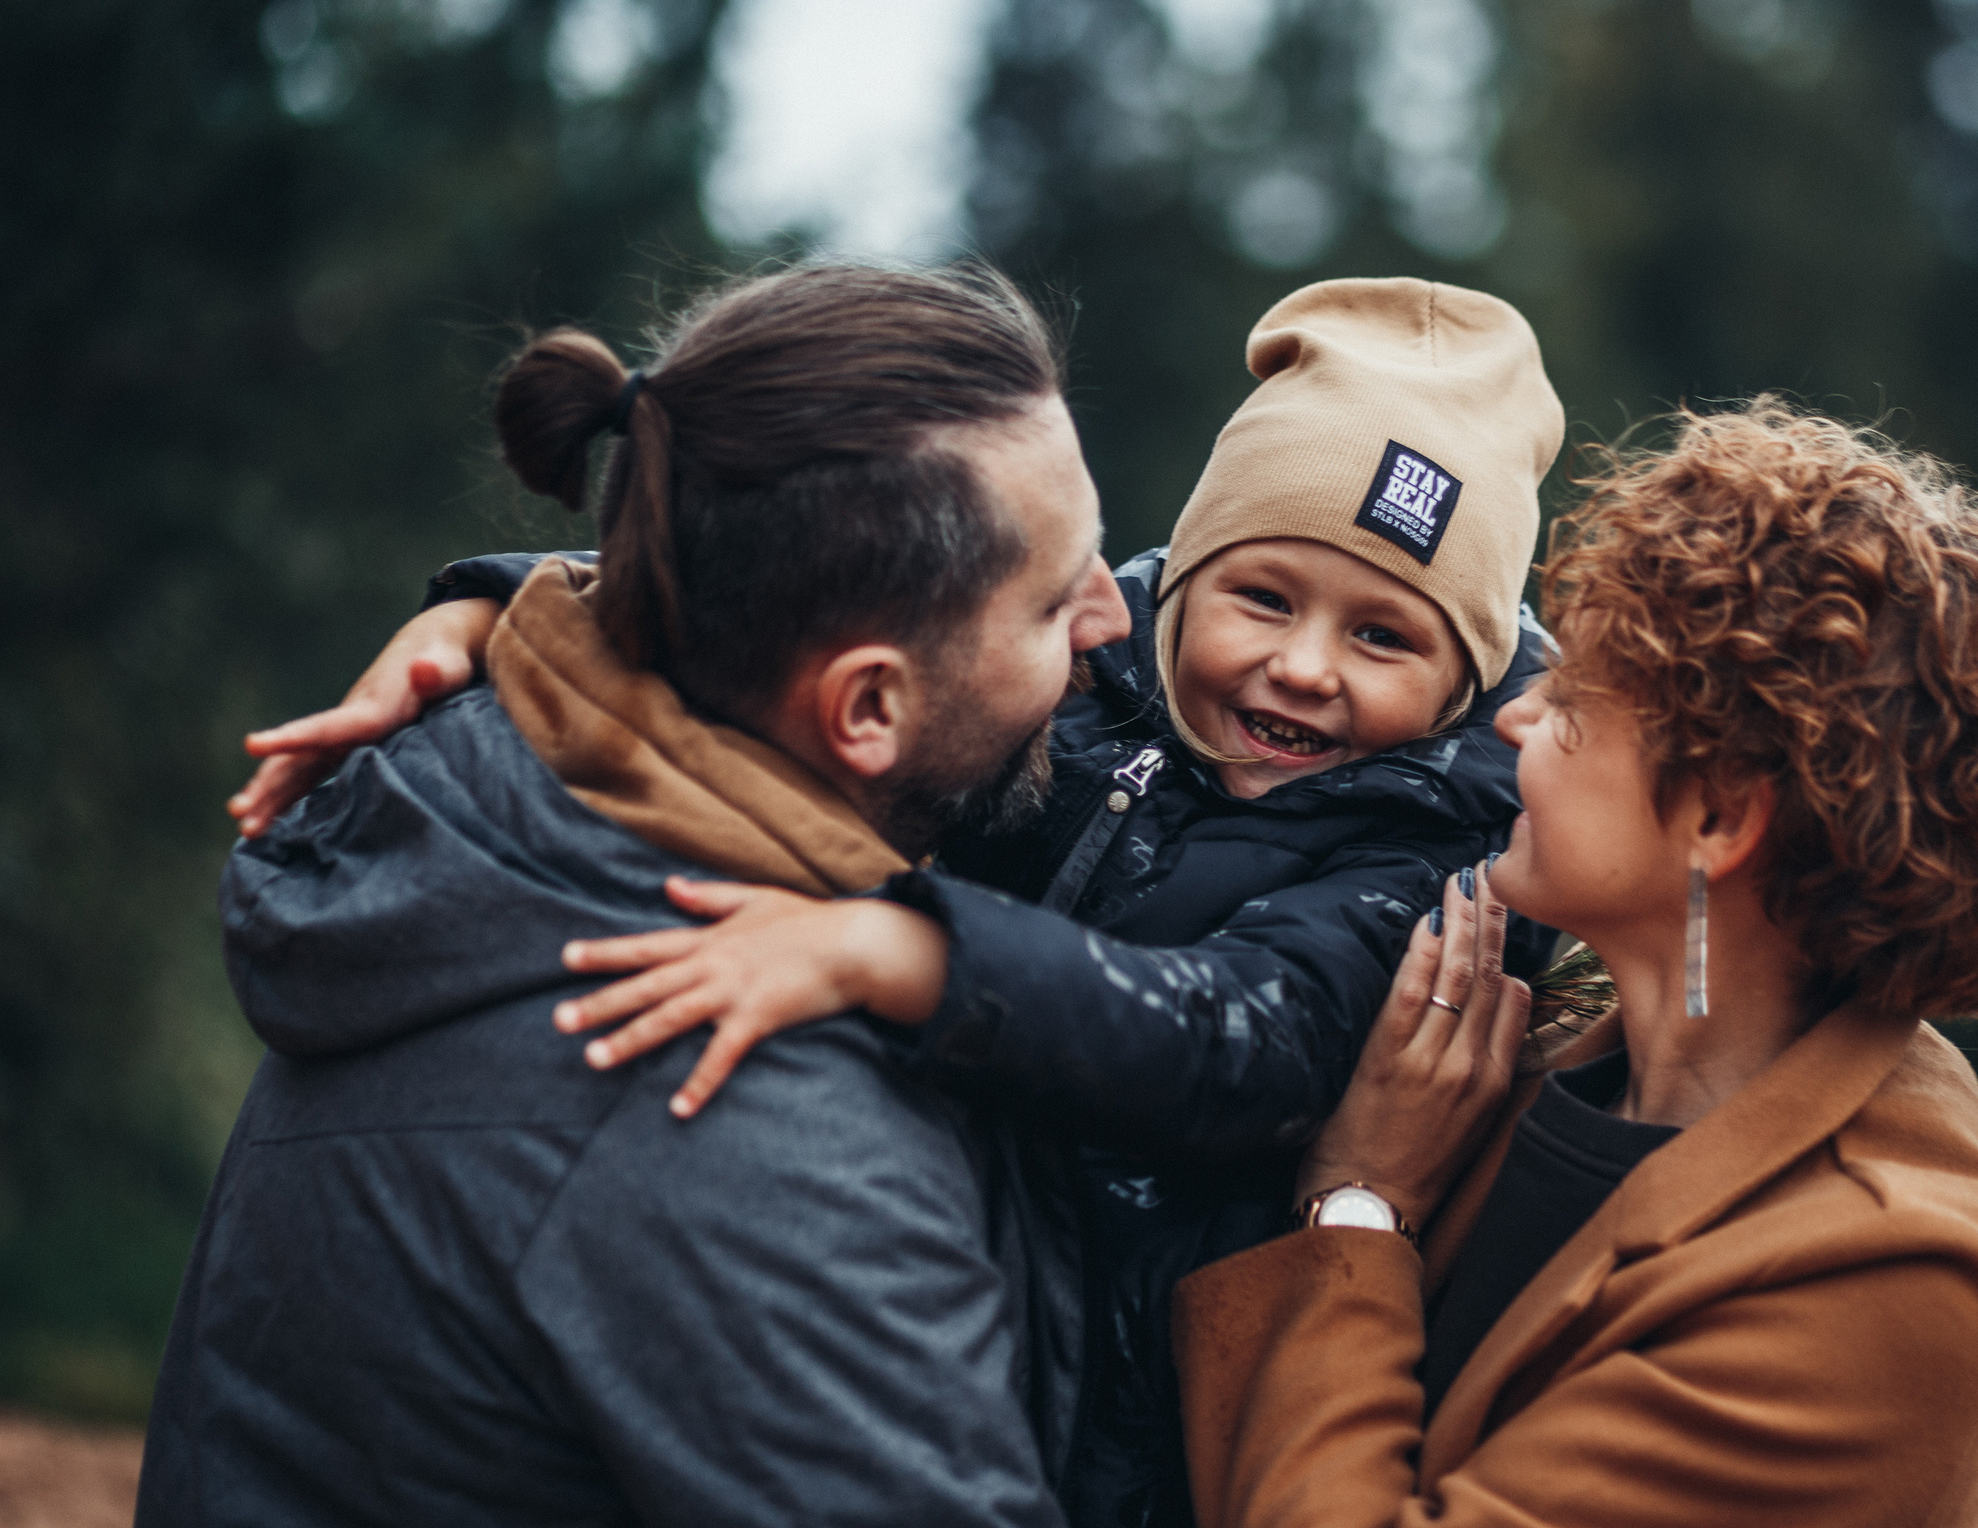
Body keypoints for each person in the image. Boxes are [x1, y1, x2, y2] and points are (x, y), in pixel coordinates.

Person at [221, 277, 1570, 1527]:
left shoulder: (1428, 850)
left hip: (1140, 1396)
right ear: (869, 702)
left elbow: (1242, 1032)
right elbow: (801, 561)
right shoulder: (748, 1134)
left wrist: (908, 947)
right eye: (1258, 595)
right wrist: (514, 602)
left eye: (1386, 635)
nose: (1303, 666)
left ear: (1467, 672)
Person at [139, 263, 1130, 1527]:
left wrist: (494, 600)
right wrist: (1351, 1236)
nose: (1113, 620)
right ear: (866, 706)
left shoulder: (488, 835)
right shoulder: (743, 1119)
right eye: (1056, 599)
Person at [1172, 401, 1978, 1527]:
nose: (1515, 720)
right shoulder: (1532, 1051)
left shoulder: (1888, 1269)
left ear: (1718, 816)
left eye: (1574, 698)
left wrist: (1360, 1204)